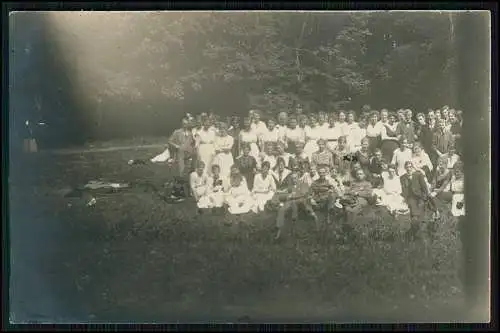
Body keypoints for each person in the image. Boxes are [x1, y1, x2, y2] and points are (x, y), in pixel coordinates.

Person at [400, 161, 440, 240]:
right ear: (405, 168)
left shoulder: (418, 175)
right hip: (411, 197)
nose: (409, 169)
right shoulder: (403, 177)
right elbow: (404, 190)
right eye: (407, 167)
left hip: (420, 197)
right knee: (413, 209)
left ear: (412, 167)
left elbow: (424, 187)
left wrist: (425, 196)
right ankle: (415, 225)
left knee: (421, 207)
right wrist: (406, 198)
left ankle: (417, 227)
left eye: (410, 167)